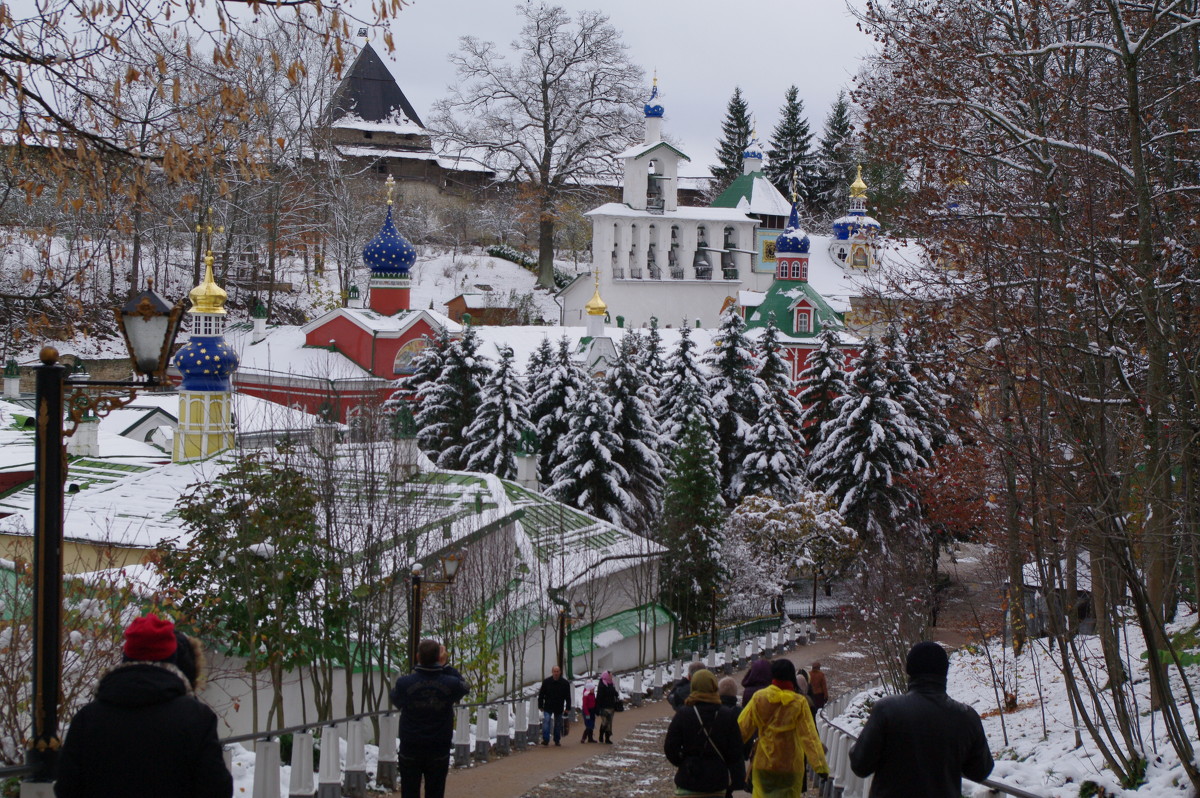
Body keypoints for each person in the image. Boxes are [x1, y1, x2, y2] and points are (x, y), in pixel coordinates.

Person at [55, 613, 232, 798]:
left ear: (126, 657)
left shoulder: (87, 718)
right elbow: (217, 788)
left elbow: (67, 788)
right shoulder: (197, 718)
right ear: (172, 659)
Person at [849, 642, 994, 798]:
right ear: (944, 672)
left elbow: (860, 765)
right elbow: (981, 771)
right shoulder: (966, 717)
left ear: (909, 670)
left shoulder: (887, 709)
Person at [738, 659, 829, 798]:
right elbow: (809, 736)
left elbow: (742, 729)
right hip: (790, 767)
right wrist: (820, 766)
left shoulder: (759, 698)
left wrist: (729, 752)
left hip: (764, 764)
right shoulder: (799, 703)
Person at [390, 639, 469, 798]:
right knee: (436, 792)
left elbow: (396, 699)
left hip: (410, 747)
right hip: (438, 748)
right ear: (438, 658)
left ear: (418, 657)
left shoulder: (404, 683)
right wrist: (445, 666)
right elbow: (465, 686)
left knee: (409, 791)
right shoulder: (450, 683)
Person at [664, 669, 746, 798]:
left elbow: (670, 748)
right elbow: (736, 751)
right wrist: (722, 764)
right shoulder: (726, 715)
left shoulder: (683, 714)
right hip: (717, 782)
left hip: (689, 779)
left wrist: (685, 762)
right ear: (714, 687)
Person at [537, 664, 571, 746]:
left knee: (558, 724)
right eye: (554, 671)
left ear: (560, 672)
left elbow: (568, 697)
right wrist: (540, 705)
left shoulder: (565, 683)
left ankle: (557, 739)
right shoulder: (546, 682)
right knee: (546, 721)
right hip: (548, 706)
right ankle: (546, 739)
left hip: (559, 706)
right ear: (552, 672)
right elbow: (541, 695)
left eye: (557, 671)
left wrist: (568, 708)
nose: (556, 673)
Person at [595, 669, 620, 743]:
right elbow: (599, 697)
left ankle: (607, 738)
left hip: (611, 706)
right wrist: (597, 708)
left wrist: (615, 693)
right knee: (605, 722)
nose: (611, 677)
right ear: (606, 676)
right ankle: (601, 734)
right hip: (604, 707)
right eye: (610, 675)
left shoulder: (611, 683)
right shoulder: (602, 685)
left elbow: (613, 691)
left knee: (609, 723)